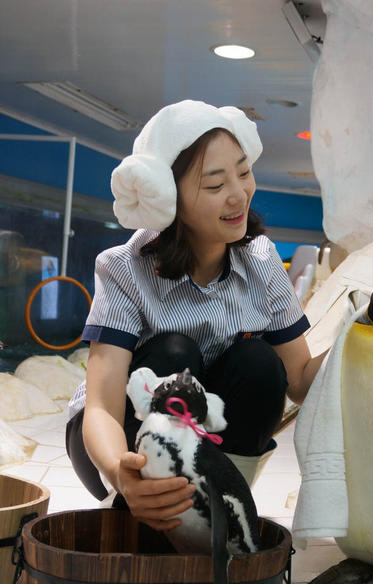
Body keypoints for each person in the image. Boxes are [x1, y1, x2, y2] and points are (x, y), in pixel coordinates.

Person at [66, 100, 328, 533]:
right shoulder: (125, 268)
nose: (238, 194)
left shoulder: (260, 260)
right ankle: (145, 505)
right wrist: (119, 472)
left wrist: (365, 328)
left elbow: (298, 379)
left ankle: (215, 515)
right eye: (213, 185)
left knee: (261, 363)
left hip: (205, 440)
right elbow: (102, 408)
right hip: (112, 447)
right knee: (174, 353)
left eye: (243, 173)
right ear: (169, 198)